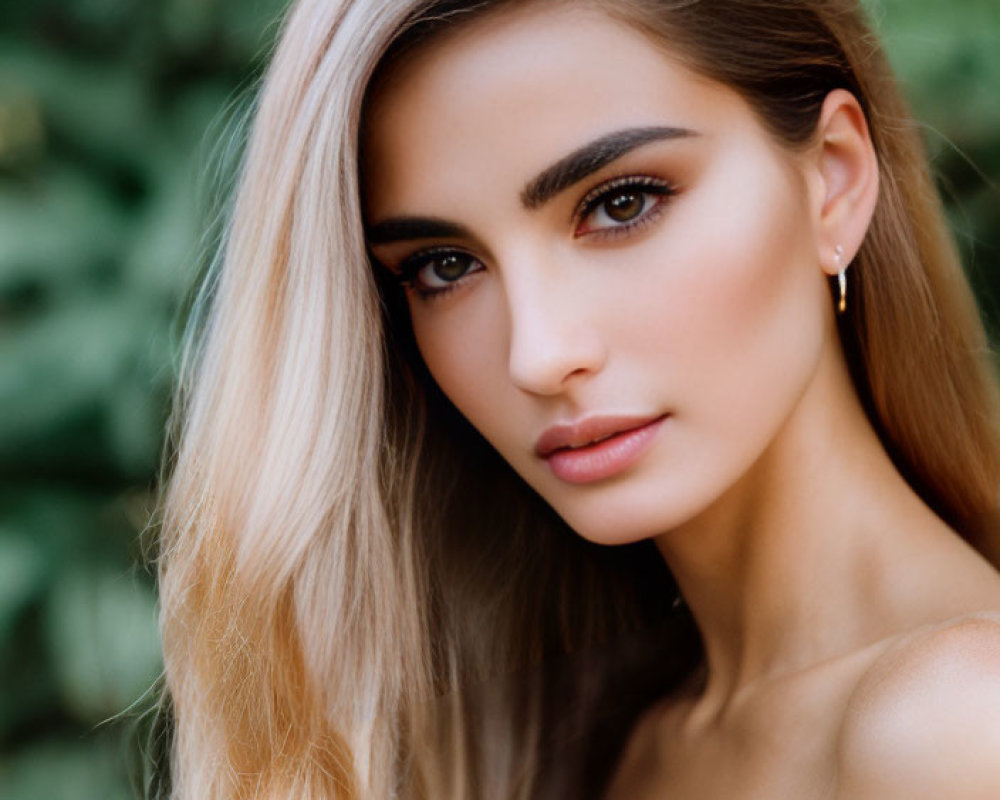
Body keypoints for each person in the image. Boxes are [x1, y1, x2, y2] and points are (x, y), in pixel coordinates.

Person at [155, 0, 1000, 798]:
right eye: (444, 265)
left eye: (621, 203)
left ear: (836, 181)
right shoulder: (610, 737)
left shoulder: (957, 722)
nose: (539, 355)